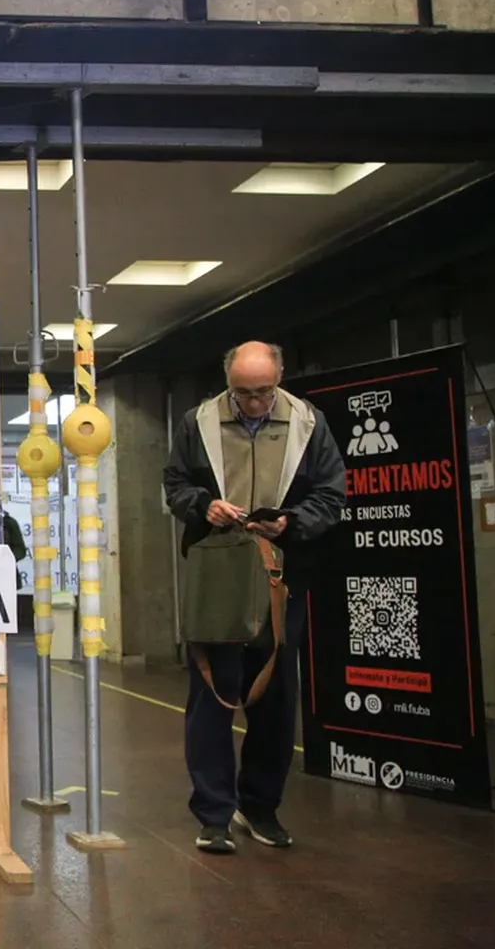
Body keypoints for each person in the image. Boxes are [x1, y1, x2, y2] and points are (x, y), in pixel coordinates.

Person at [162, 341, 345, 854]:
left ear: (280, 378)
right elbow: (173, 484)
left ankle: (260, 807)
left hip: (283, 577)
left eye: (264, 392)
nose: (254, 403)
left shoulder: (309, 423)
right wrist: (203, 506)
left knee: (277, 695)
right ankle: (214, 814)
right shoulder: (197, 422)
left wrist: (291, 522)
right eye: (243, 394)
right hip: (218, 573)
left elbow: (332, 495)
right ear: (228, 384)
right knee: (211, 695)